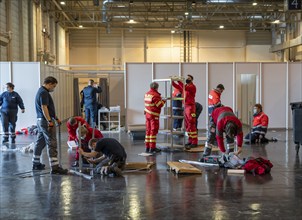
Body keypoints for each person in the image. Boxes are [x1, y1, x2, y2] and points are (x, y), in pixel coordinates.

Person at [32, 76, 68, 174]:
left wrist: (55, 118)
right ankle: (55, 168)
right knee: (51, 143)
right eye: (53, 86)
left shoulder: (41, 91)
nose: (53, 88)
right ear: (49, 83)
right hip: (45, 121)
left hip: (40, 121)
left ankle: (35, 163)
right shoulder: (44, 93)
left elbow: (48, 108)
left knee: (40, 142)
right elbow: (44, 107)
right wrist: (49, 121)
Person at [172, 74, 198, 149]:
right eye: (187, 78)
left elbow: (183, 87)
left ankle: (194, 142)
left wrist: (179, 81)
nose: (187, 79)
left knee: (191, 124)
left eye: (189, 78)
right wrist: (173, 82)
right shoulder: (186, 86)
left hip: (190, 107)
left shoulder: (192, 87)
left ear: (192, 80)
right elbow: (178, 87)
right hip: (186, 106)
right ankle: (190, 141)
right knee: (187, 125)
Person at [144, 82, 166, 153]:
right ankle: (152, 148)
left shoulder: (147, 94)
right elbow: (159, 105)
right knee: (153, 131)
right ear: (157, 87)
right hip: (153, 116)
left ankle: (147, 147)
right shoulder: (156, 95)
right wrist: (164, 100)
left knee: (148, 131)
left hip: (147, 115)